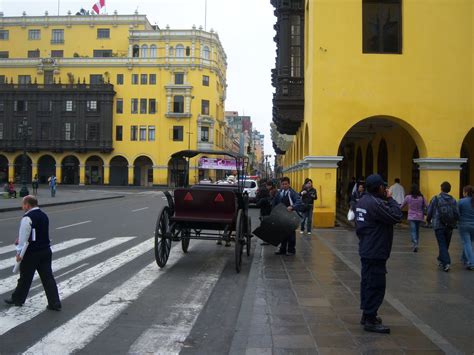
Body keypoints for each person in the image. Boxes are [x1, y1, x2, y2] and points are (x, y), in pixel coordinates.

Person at [355, 174, 403, 334]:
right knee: (375, 285)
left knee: (367, 282)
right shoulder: (376, 203)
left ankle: (367, 314)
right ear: (379, 188)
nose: (386, 189)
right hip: (376, 249)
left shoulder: (362, 200)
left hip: (367, 247)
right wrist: (390, 199)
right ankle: (370, 319)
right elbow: (397, 216)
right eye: (384, 186)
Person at [4, 195, 61, 310]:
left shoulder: (27, 217)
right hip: (45, 251)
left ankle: (17, 299)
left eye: (23, 204)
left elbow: (25, 235)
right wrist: (20, 238)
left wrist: (19, 253)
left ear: (27, 205)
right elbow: (36, 233)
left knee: (25, 277)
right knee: (48, 278)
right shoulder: (44, 215)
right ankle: (55, 303)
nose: (22, 207)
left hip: (31, 253)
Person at [426, 181, 459, 272]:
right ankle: (441, 259)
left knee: (442, 244)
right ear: (449, 189)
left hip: (438, 225)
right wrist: (455, 222)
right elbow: (456, 213)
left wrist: (428, 220)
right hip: (450, 225)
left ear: (441, 188)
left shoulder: (435, 198)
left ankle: (446, 262)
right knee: (445, 244)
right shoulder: (453, 199)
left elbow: (429, 211)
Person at [272, 176, 303, 256]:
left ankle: (291, 250)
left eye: (286, 184)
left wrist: (292, 207)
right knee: (282, 232)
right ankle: (282, 249)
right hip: (281, 215)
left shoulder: (292, 193)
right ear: (281, 185)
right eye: (283, 184)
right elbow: (274, 202)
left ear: (289, 184)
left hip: (291, 215)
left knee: (291, 234)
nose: (284, 185)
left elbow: (299, 201)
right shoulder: (279, 193)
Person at [401, 184, 427, 252]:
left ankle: (414, 242)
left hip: (411, 216)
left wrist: (395, 210)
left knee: (413, 231)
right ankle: (416, 244)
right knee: (417, 231)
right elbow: (427, 206)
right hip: (419, 216)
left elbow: (402, 206)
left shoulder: (408, 197)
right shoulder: (422, 197)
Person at [457, 185, 474, 270]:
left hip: (463, 225)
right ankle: (464, 259)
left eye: (463, 191)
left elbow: (457, 213)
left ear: (466, 192)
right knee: (469, 242)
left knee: (467, 243)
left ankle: (472, 262)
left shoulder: (461, 201)